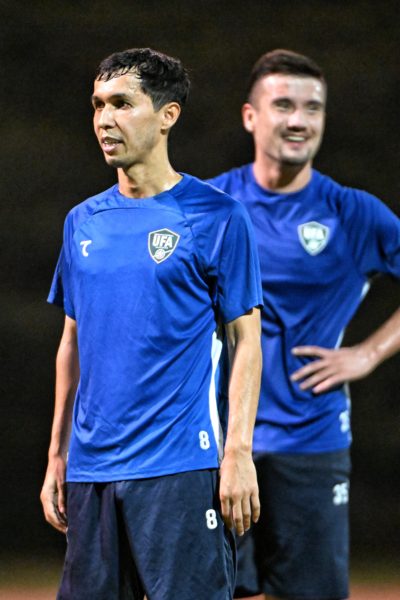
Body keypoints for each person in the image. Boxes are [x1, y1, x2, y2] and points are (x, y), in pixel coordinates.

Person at [40, 47, 263, 600]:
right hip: (91, 471)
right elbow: (73, 342)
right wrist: (57, 454)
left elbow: (246, 341)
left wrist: (238, 452)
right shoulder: (82, 221)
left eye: (122, 103)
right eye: (98, 105)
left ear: (167, 116)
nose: (104, 119)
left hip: (180, 468)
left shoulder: (217, 216)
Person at [207, 49, 400, 600]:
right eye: (284, 105)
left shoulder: (351, 212)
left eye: (312, 108)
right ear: (250, 116)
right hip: (216, 443)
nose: (299, 120)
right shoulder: (211, 205)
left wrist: (368, 352)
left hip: (310, 440)